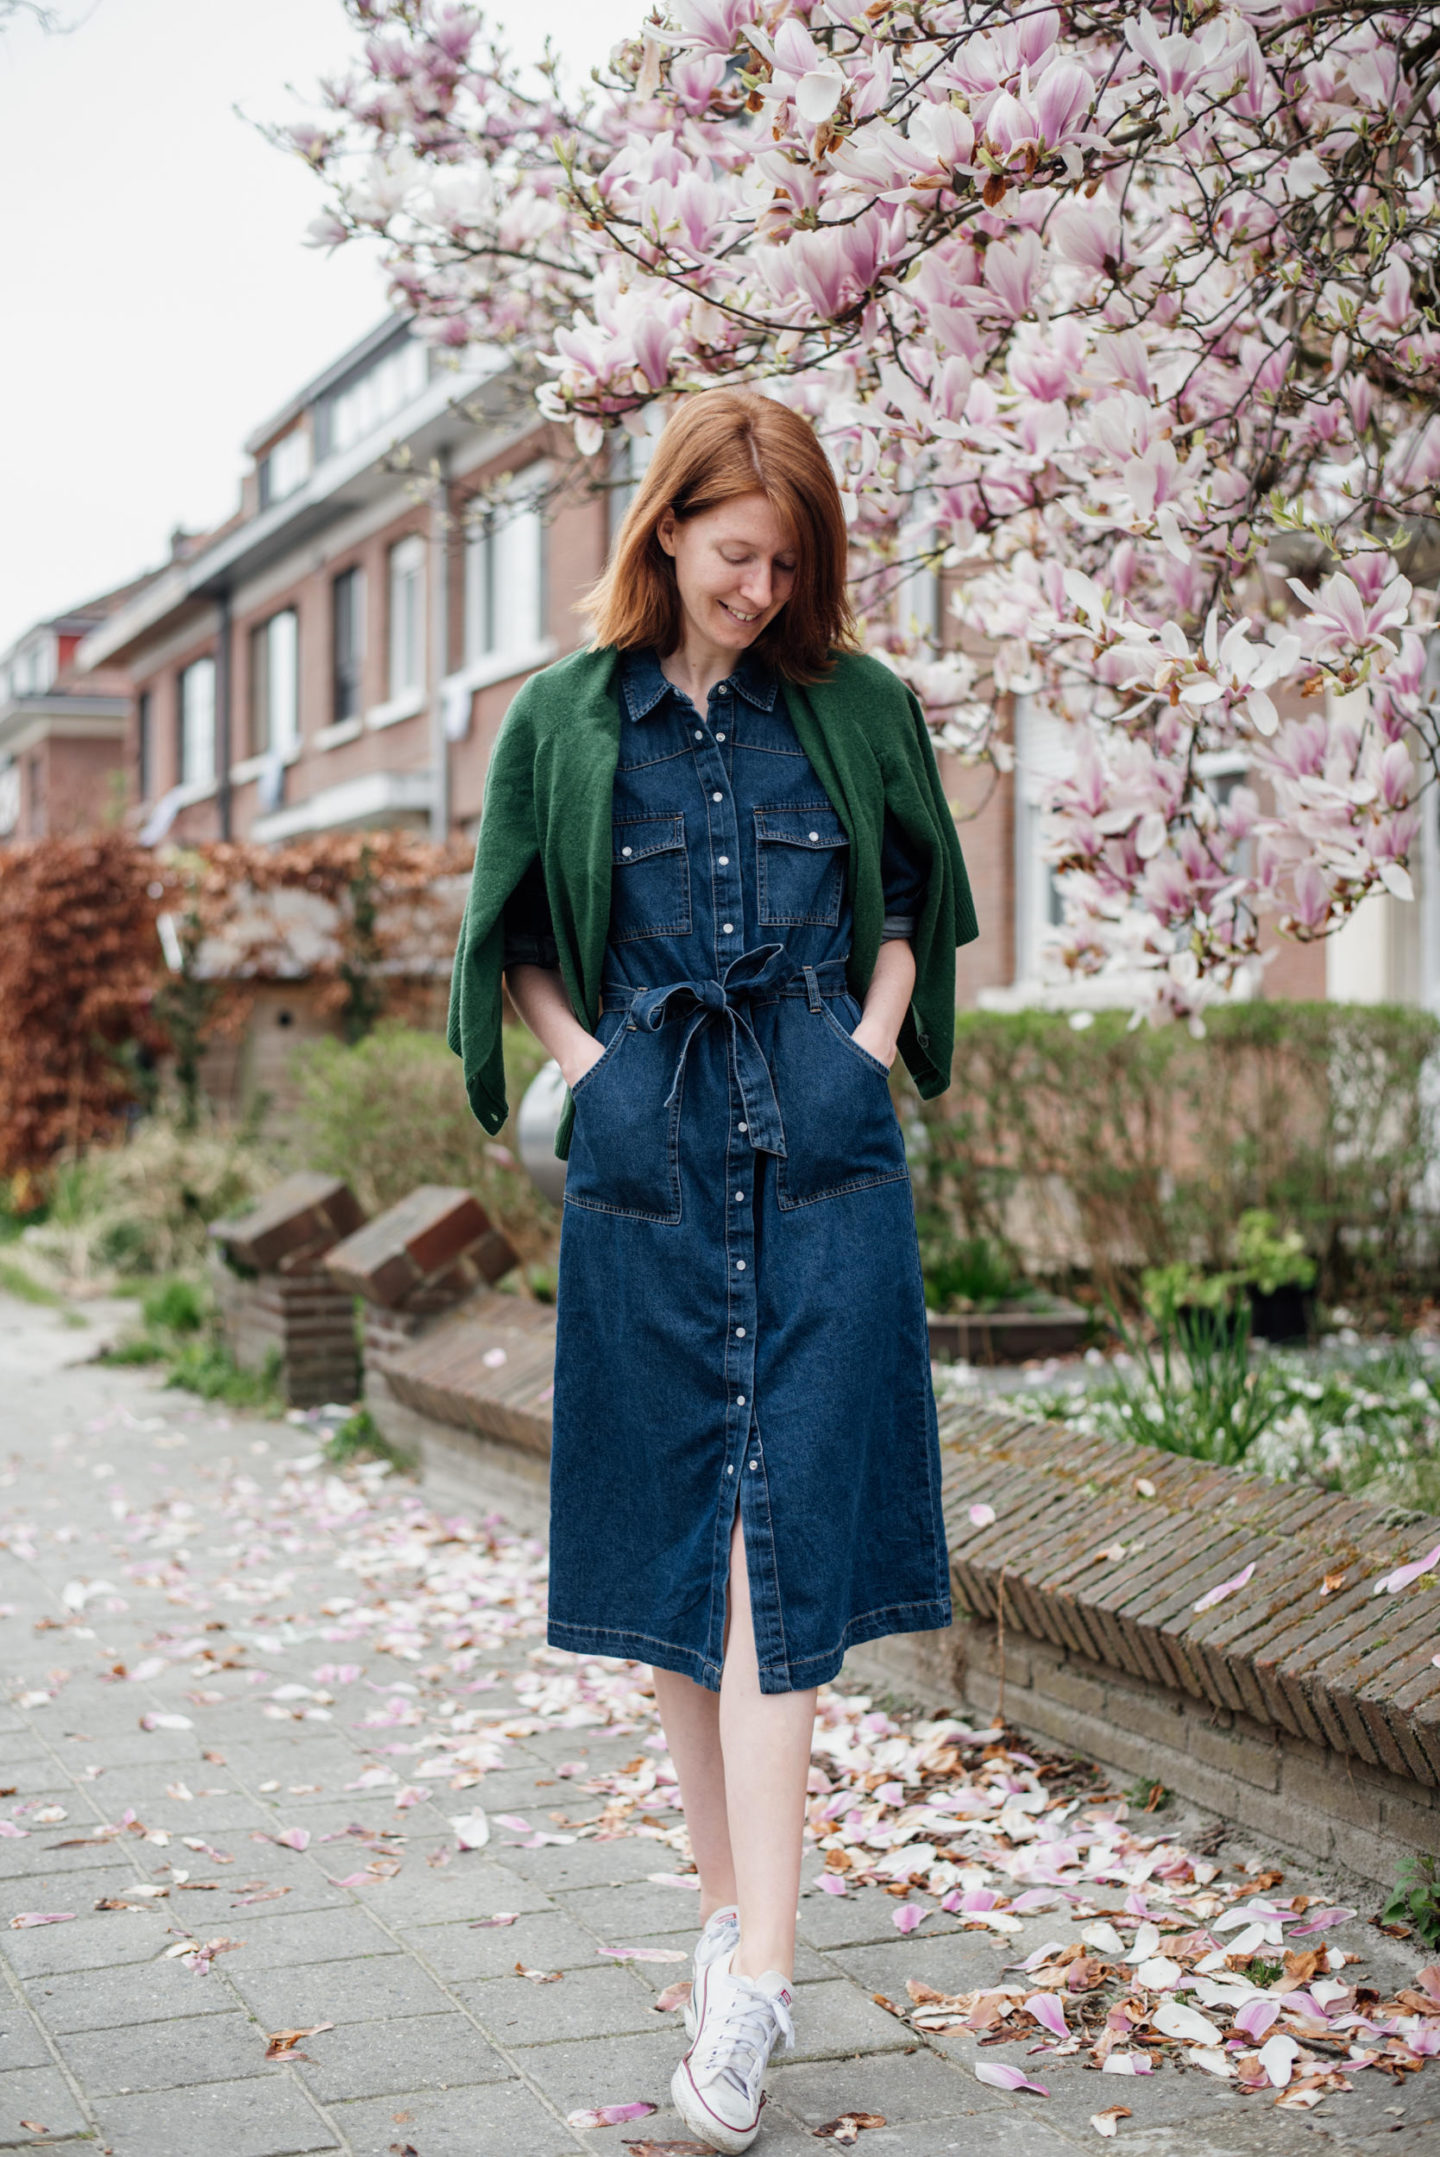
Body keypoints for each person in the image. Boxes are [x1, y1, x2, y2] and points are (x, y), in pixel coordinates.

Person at [448, 388, 978, 2152]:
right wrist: (589, 1066)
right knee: (683, 1555)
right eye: (737, 554)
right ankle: (722, 1921)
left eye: (790, 562)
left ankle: (761, 1974)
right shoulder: (560, 722)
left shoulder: (860, 708)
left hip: (823, 1163)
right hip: (648, 1166)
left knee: (776, 1551)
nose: (762, 588)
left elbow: (910, 893)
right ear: (665, 529)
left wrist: (866, 1039)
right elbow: (514, 936)